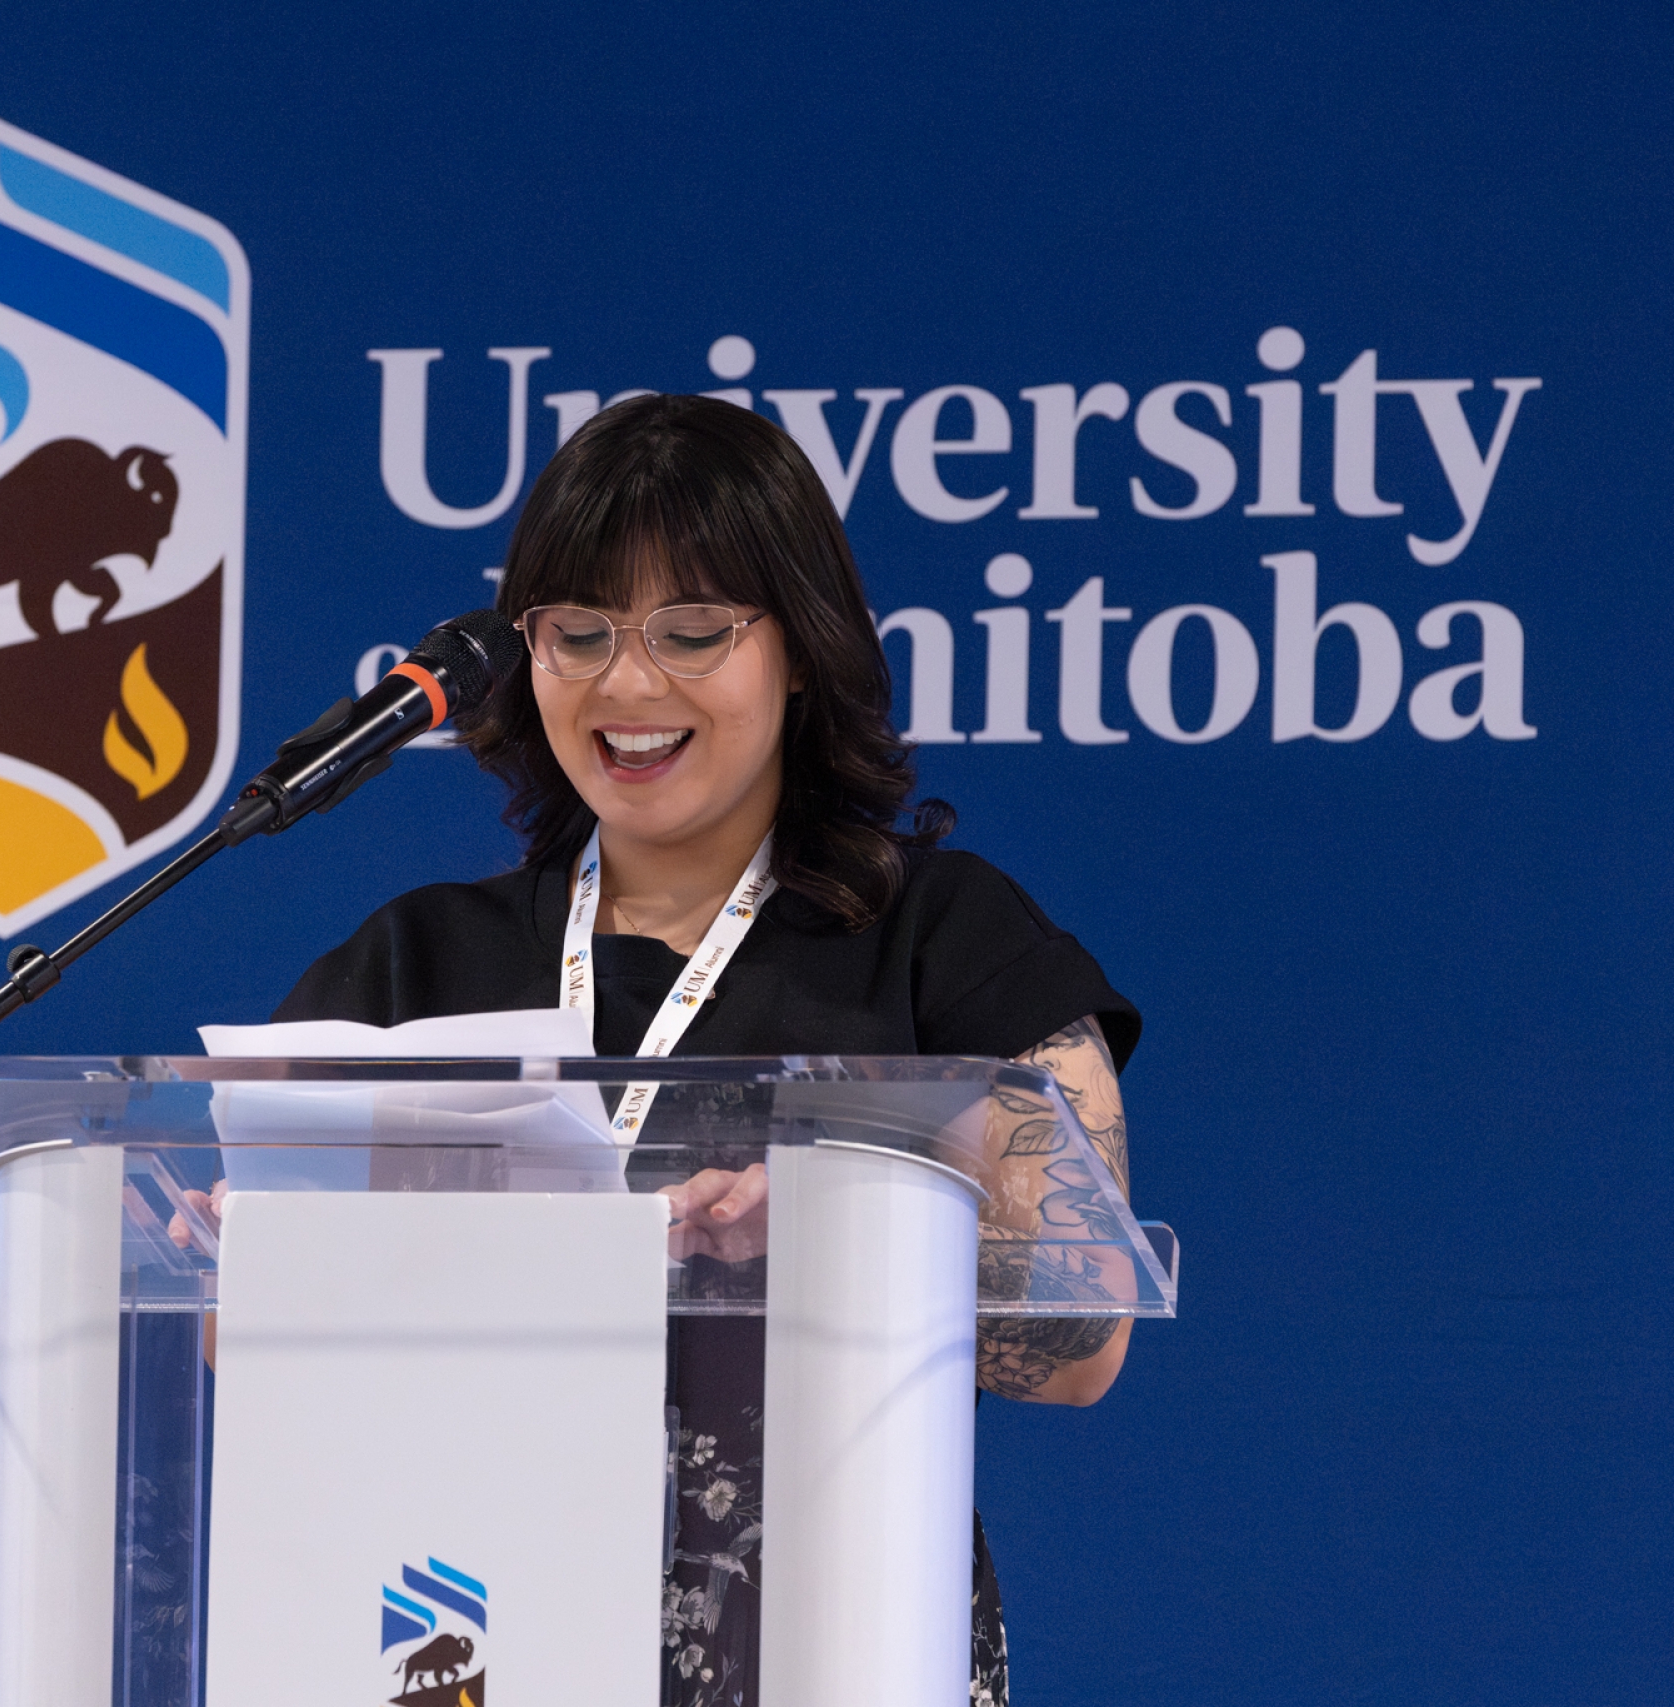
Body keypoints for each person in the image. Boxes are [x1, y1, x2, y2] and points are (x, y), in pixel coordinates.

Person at [268, 393, 1138, 1707]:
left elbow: (1084, 1334)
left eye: (691, 633)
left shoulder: (945, 941)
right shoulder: (413, 967)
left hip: (828, 1649)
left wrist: (843, 1234)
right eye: (580, 634)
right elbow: (230, 1315)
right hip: (466, 1647)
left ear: (797, 649)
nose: (629, 685)